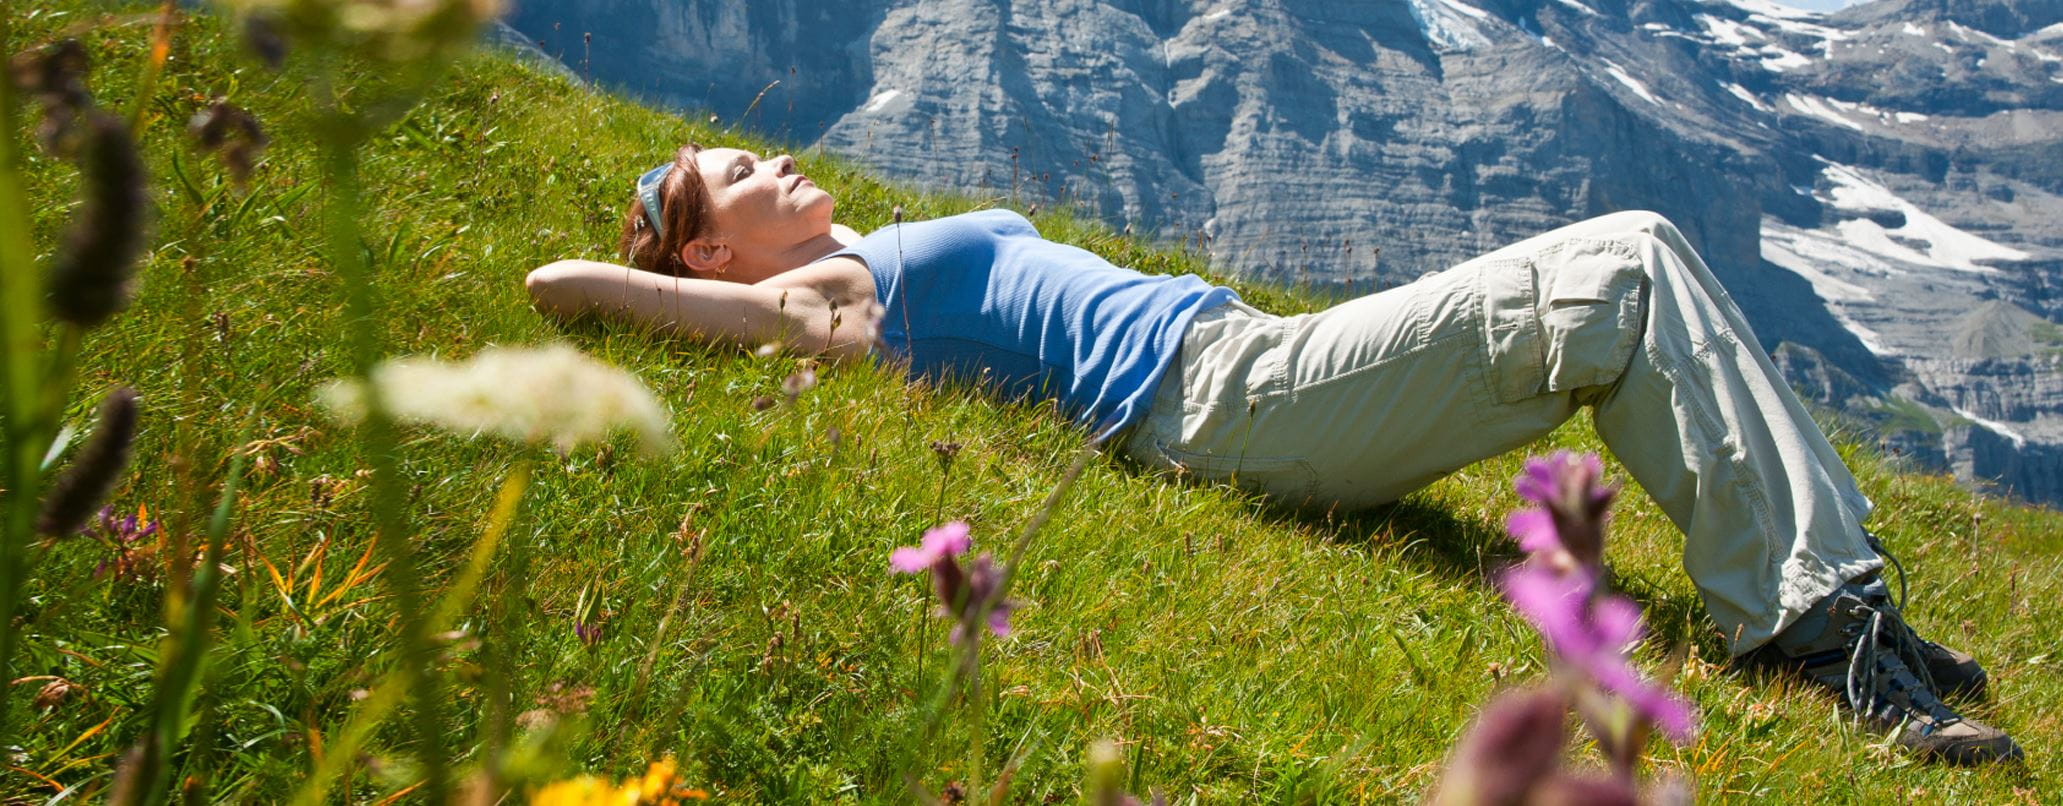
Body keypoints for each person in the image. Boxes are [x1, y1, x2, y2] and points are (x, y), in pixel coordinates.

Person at [525, 143, 2022, 765]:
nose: (765, 158)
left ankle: (1837, 603)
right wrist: (641, 274)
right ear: (715, 248)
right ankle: (1826, 636)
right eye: (729, 174)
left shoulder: (853, 240)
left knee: (1632, 273)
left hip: (1247, 350)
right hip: (1219, 398)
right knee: (1623, 262)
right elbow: (580, 293)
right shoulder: (823, 295)